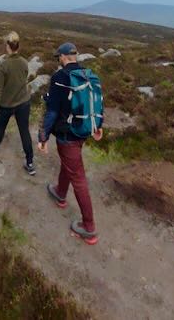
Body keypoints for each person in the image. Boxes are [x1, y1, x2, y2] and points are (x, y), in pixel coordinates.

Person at [39, 42, 104, 245]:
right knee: (70, 163)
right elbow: (96, 101)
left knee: (78, 177)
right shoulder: (87, 75)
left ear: (64, 57)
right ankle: (60, 192)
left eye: (59, 57)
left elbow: (52, 111)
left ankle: (89, 227)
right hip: (84, 130)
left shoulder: (60, 78)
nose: (59, 59)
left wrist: (43, 137)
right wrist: (98, 124)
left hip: (67, 134)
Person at [0, 31, 35, 175]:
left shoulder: (3, 65)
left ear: (8, 46)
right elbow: (23, 81)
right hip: (24, 103)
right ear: (18, 46)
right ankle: (30, 163)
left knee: (1, 126)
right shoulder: (25, 62)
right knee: (24, 131)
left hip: (6, 105)